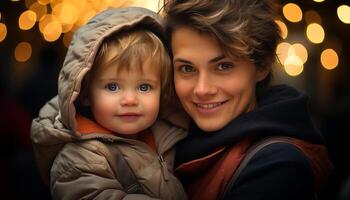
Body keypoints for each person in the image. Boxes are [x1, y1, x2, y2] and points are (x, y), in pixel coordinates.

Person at [163, 0, 333, 199]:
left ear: (262, 65)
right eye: (187, 68)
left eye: (224, 66)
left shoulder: (278, 166)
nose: (202, 89)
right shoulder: (161, 138)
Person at [30, 7, 187, 200]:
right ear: (86, 94)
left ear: (162, 92)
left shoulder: (168, 133)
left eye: (144, 87)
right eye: (112, 87)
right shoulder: (79, 158)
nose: (130, 100)